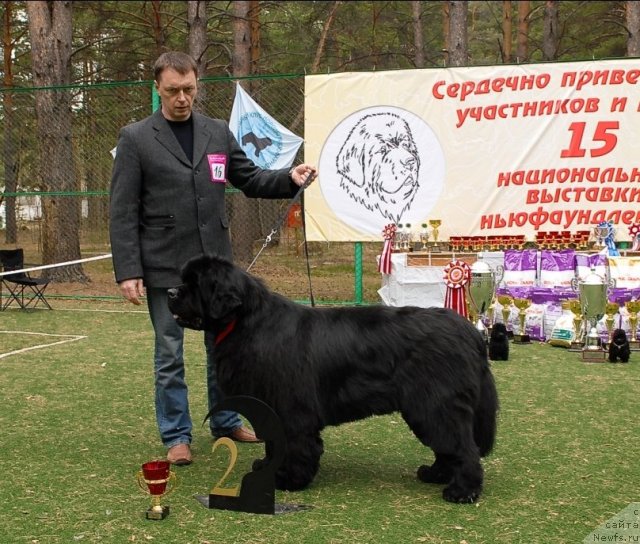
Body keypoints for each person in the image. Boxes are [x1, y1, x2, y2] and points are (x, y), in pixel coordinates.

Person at [109, 51, 317, 466]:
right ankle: (177, 435)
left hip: (217, 273)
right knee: (169, 353)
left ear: (197, 85)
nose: (182, 98)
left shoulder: (217, 131)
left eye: (189, 89)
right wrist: (128, 270)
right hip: (166, 268)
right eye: (173, 91)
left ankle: (226, 420)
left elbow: (250, 177)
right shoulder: (135, 138)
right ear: (158, 88)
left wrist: (287, 178)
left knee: (225, 351)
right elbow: (122, 209)